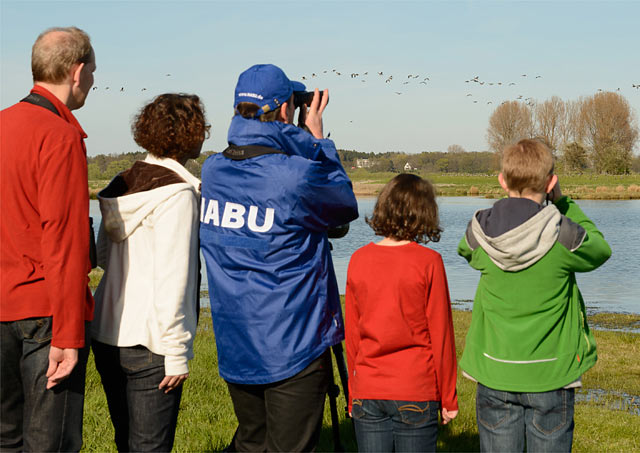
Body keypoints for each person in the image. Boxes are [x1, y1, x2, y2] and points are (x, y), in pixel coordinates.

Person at [200, 64, 358, 452]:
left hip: (237, 341)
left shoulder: (214, 171)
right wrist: (316, 139)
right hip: (292, 344)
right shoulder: (295, 175)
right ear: (286, 111)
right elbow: (343, 206)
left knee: (253, 440)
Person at [458, 139, 612, 452]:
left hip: (494, 370)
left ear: (502, 181)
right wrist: (564, 203)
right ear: (551, 182)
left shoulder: (479, 233)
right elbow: (599, 249)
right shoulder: (564, 235)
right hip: (551, 373)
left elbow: (466, 250)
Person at [91, 93, 207, 451]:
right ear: (192, 134)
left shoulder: (120, 185)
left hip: (106, 333)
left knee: (124, 442)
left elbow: (104, 256)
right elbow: (175, 278)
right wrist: (175, 353)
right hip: (152, 344)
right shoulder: (178, 194)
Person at [0, 26, 96, 451]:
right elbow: (64, 238)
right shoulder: (59, 134)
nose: (92, 80)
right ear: (77, 72)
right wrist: (69, 335)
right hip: (45, 313)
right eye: (93, 71)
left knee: (6, 438)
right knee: (50, 444)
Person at [345, 173, 459, 452]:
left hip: (367, 390)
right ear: (424, 212)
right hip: (415, 389)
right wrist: (448, 397)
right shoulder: (429, 262)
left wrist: (353, 392)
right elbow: (441, 334)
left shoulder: (358, 259)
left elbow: (352, 335)